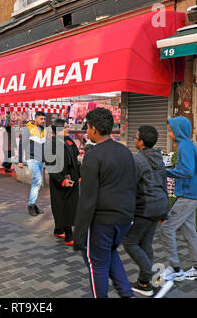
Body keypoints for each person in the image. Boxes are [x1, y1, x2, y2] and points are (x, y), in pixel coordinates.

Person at [74, 108, 137, 298]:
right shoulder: (125, 151)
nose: (87, 132)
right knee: (110, 254)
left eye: (88, 129)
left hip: (102, 221)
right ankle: (128, 294)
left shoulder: (93, 156)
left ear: (93, 129)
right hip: (124, 218)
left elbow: (87, 198)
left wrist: (79, 232)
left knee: (98, 264)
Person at [122, 126, 170, 297]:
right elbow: (164, 184)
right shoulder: (159, 157)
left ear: (141, 142)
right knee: (145, 243)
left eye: (135, 137)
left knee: (130, 242)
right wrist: (164, 212)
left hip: (145, 207)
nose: (134, 140)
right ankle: (144, 283)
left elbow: (130, 186)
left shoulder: (137, 160)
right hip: (160, 205)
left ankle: (150, 273)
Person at [160, 117, 197, 282]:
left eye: (170, 130)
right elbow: (185, 169)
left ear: (178, 130)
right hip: (191, 194)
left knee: (166, 228)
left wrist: (165, 171)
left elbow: (187, 171)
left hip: (189, 195)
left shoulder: (185, 146)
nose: (169, 133)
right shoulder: (186, 145)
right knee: (189, 232)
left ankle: (175, 269)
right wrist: (171, 170)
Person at [45, 119, 80, 246]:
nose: (67, 129)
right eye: (65, 127)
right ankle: (69, 235)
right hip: (61, 179)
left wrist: (79, 175)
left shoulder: (69, 141)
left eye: (67, 127)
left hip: (72, 177)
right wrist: (62, 180)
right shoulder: (52, 145)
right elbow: (51, 165)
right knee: (64, 205)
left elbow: (76, 159)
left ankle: (58, 229)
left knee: (69, 204)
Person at [18, 112, 47, 217]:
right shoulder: (28, 129)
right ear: (35, 119)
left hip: (41, 160)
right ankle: (31, 205)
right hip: (32, 159)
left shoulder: (43, 130)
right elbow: (21, 144)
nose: (43, 121)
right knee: (38, 180)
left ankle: (34, 204)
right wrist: (20, 160)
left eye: (44, 119)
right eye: (41, 119)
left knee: (37, 183)